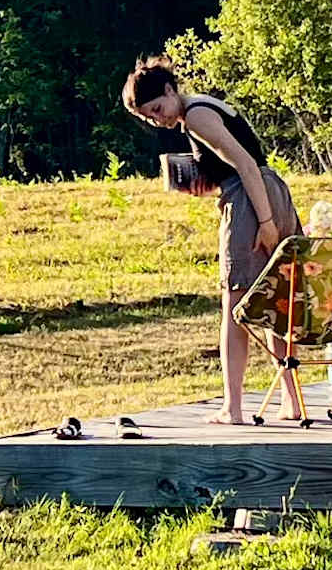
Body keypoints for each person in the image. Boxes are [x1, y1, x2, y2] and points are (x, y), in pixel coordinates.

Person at [123, 56, 302, 426]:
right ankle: (292, 401)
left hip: (253, 200)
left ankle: (232, 408)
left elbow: (245, 165)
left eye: (157, 109)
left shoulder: (197, 118)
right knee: (276, 301)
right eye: (148, 117)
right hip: (272, 190)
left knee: (235, 303)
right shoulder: (206, 104)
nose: (157, 120)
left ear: (170, 90)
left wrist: (265, 223)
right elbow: (239, 164)